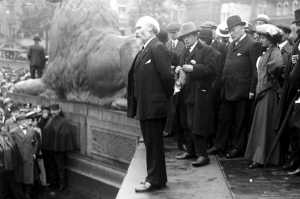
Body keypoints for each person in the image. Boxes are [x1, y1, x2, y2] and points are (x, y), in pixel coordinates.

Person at [127, 16, 174, 192]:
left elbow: (167, 77)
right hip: (146, 106)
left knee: (153, 144)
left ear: (152, 29)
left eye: (139, 28)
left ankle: (153, 180)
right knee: (152, 144)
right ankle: (158, 178)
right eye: (136, 28)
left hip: (154, 107)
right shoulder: (145, 49)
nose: (136, 31)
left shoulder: (157, 47)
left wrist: (164, 97)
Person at [208, 15, 262, 158]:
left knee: (241, 120)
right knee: (224, 119)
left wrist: (251, 90)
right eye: (230, 30)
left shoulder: (252, 44)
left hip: (243, 90)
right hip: (228, 89)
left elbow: (255, 69)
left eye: (234, 29)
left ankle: (238, 147)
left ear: (242, 28)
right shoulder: (232, 44)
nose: (231, 33)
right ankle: (220, 145)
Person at [175, 22, 216, 167]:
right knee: (186, 124)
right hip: (185, 92)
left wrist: (194, 68)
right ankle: (191, 151)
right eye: (184, 37)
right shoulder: (184, 51)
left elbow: (211, 69)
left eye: (188, 36)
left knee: (196, 124)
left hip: (198, 93)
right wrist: (178, 69)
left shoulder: (206, 50)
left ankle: (202, 155)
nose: (185, 39)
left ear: (195, 35)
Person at [244, 24, 284, 168]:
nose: (260, 40)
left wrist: (273, 77)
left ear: (270, 39)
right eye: (260, 37)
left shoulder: (274, 51)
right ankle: (260, 157)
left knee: (263, 125)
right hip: (264, 93)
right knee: (261, 124)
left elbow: (278, 66)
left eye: (263, 38)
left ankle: (261, 158)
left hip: (269, 93)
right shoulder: (268, 51)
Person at [277, 9, 300, 173]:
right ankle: (296, 160)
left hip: (296, 85)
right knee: (294, 125)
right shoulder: (298, 42)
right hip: (295, 88)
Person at [157, 29, 187, 151]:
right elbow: (178, 67)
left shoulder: (154, 52)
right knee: (169, 109)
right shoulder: (172, 53)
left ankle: (165, 132)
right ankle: (167, 131)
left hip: (160, 88)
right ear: (167, 40)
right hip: (170, 86)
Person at [197, 28, 225, 148]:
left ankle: (210, 141)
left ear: (206, 41)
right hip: (201, 91)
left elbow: (218, 77)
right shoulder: (199, 53)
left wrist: (209, 91)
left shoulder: (216, 55)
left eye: (201, 41)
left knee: (212, 117)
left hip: (212, 93)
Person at [41, 104, 74, 191]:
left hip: (59, 149)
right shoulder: (50, 119)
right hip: (50, 148)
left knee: (60, 167)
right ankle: (53, 182)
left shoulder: (63, 122)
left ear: (59, 110)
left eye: (55, 110)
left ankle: (62, 184)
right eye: (52, 110)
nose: (53, 112)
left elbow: (65, 135)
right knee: (51, 166)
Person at [10, 114, 38, 199]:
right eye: (22, 121)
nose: (24, 122)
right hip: (19, 158)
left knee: (29, 177)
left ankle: (27, 194)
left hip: (29, 157)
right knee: (20, 176)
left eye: (25, 120)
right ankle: (20, 194)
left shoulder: (31, 131)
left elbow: (36, 142)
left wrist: (34, 153)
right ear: (18, 122)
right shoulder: (13, 132)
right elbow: (11, 145)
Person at [0, 128, 25, 199]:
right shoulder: (6, 133)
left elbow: (14, 146)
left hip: (7, 165)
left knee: (13, 186)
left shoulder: (5, 133)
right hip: (9, 164)